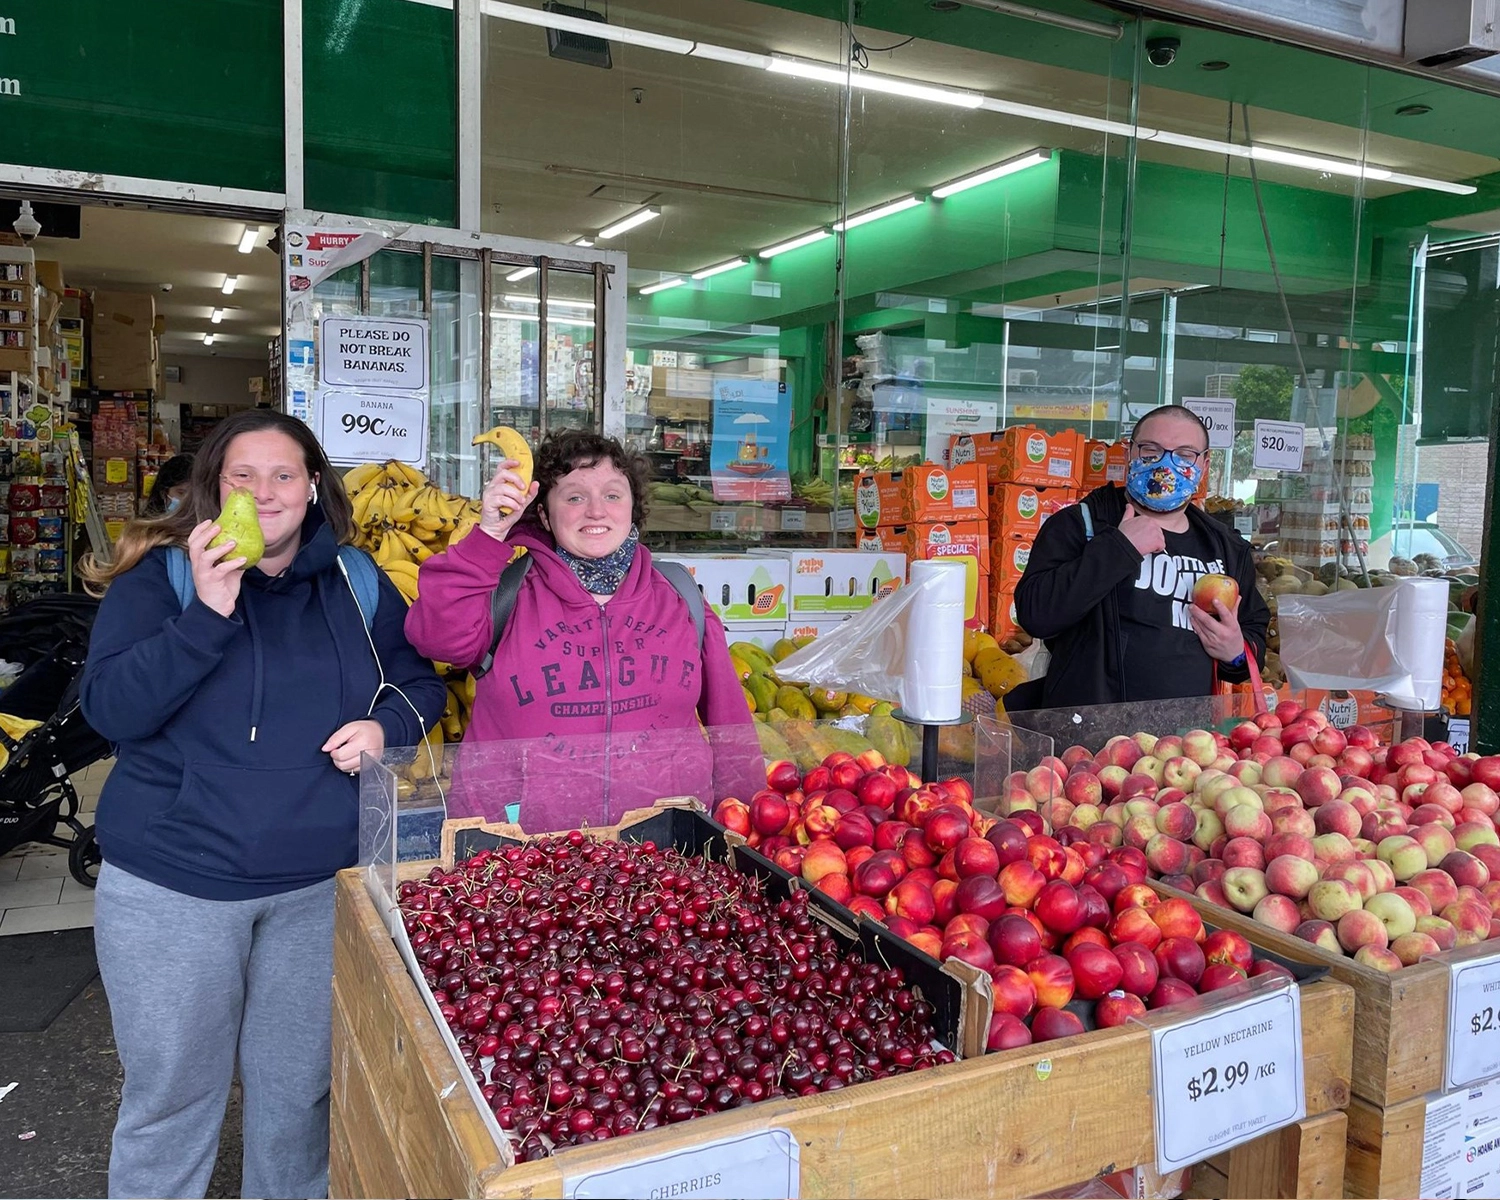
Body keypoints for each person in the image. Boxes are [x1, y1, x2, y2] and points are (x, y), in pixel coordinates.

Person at [78, 410, 446, 1200]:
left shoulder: (354, 580)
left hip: (318, 890)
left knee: (297, 1100)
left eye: (284, 474)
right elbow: (110, 709)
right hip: (175, 889)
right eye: (242, 475)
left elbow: (421, 687)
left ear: (313, 486)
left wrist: (385, 727)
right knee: (171, 1101)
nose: (264, 491)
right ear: (215, 488)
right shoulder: (163, 579)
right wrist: (207, 613)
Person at [405, 430, 760, 829]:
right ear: (543, 513)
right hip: (518, 855)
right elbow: (435, 636)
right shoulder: (505, 596)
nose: (596, 511)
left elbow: (732, 730)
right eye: (574, 497)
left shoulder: (681, 598)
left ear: (632, 507)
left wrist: (747, 825)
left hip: (661, 851)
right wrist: (489, 536)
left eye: (613, 495)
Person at [1011, 404, 1270, 709]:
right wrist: (1119, 547)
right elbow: (1036, 614)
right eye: (1151, 450)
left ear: (1204, 464)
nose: (1165, 465)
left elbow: (1252, 636)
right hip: (1093, 738)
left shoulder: (1225, 547)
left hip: (1188, 743)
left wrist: (1236, 651)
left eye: (1185, 454)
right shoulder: (1081, 525)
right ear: (1129, 454)